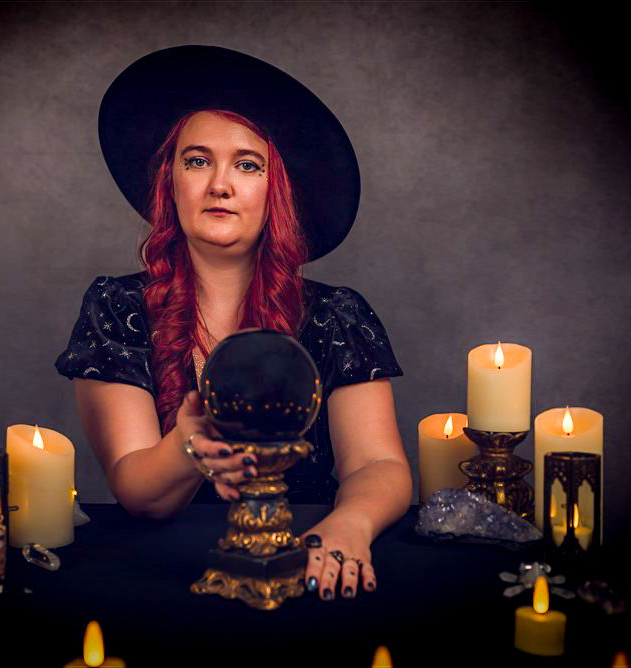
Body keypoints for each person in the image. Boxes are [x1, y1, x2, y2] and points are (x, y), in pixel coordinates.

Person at [56, 46, 412, 601]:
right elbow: (139, 492)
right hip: (161, 580)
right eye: (197, 160)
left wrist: (353, 523)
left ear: (277, 190)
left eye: (248, 164)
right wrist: (190, 444)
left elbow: (377, 462)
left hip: (306, 565)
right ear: (169, 181)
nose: (220, 184)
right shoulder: (117, 307)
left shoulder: (337, 314)